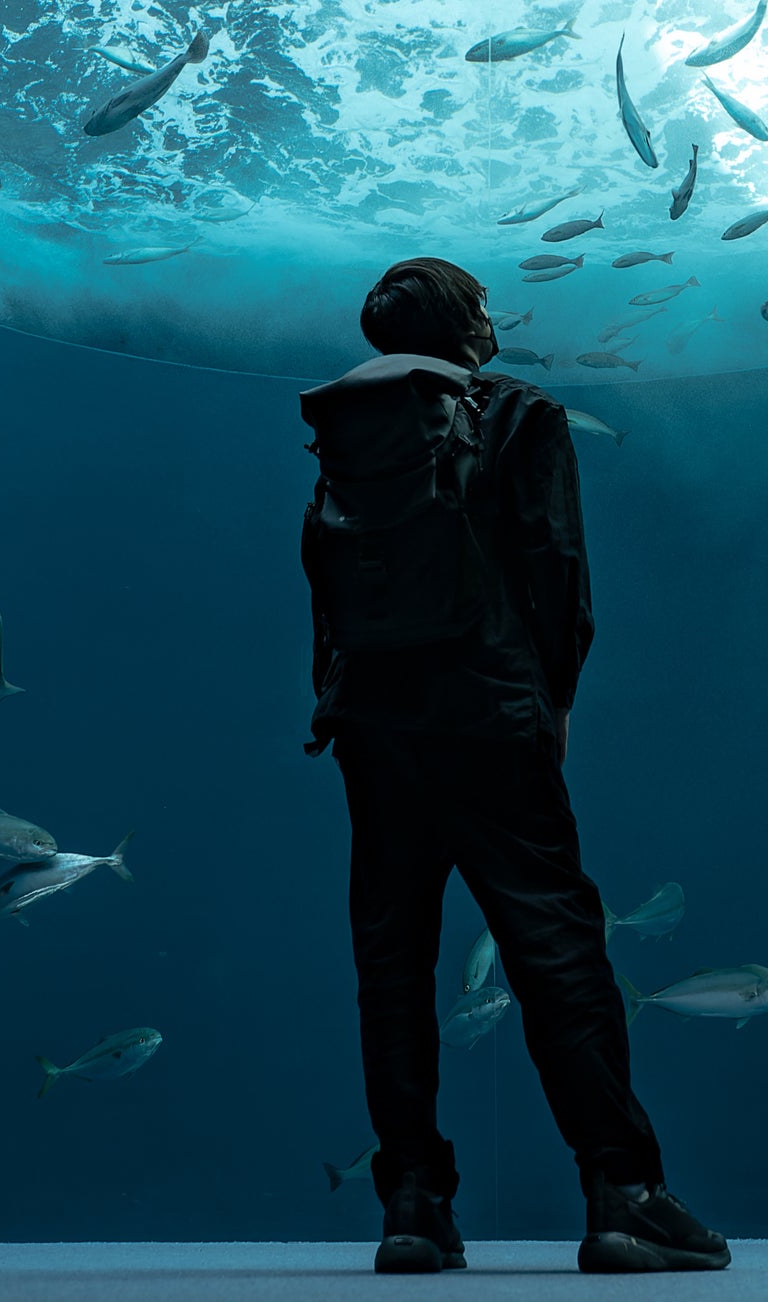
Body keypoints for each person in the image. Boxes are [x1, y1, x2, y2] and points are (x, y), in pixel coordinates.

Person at [300, 257, 730, 1275]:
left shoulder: (349, 427)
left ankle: (412, 1203)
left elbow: (324, 569)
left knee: (392, 962)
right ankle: (621, 1194)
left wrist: (341, 699)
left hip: (373, 724)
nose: (494, 321)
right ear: (462, 324)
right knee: (557, 950)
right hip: (490, 716)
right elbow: (557, 570)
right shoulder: (517, 414)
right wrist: (556, 697)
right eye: (483, 307)